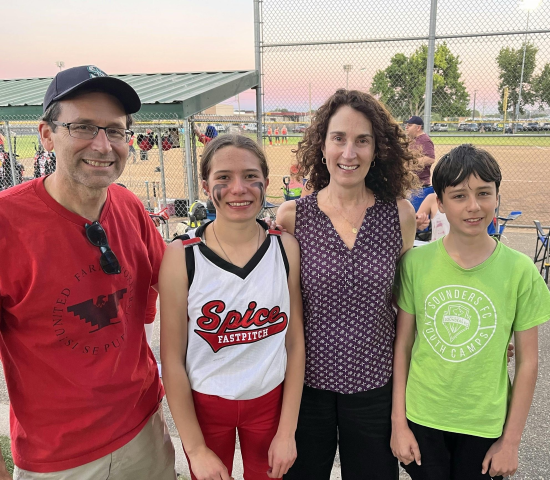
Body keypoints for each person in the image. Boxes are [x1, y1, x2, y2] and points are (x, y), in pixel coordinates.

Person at [0, 65, 176, 479]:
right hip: (59, 458)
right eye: (83, 127)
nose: (103, 144)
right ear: (47, 135)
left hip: (143, 432)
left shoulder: (130, 207)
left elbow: (172, 284)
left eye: (115, 130)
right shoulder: (7, 223)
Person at [391, 144, 550, 480]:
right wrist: (399, 423)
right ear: (439, 202)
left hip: (485, 424)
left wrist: (511, 441)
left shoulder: (520, 270)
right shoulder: (415, 264)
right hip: (423, 419)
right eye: (459, 196)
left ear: (497, 196)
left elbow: (528, 362)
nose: (473, 206)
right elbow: (403, 347)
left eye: (484, 193)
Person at [276, 89, 418, 480]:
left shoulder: (399, 216)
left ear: (378, 150)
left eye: (362, 140)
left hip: (375, 385)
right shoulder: (292, 217)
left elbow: (409, 304)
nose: (349, 153)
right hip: (306, 389)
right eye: (338, 138)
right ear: (322, 146)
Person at [159, 134, 305, 480]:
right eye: (223, 177)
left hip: (269, 399)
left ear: (266, 183)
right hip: (205, 403)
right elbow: (171, 359)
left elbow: (295, 343)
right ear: (207, 186)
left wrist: (287, 432)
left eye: (250, 176)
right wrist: (194, 449)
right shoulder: (183, 255)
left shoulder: (285, 248)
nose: (239, 188)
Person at [405, 116, 435, 187]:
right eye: (406, 125)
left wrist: (409, 163)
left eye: (410, 125)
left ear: (418, 128)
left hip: (421, 184)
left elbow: (430, 159)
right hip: (410, 183)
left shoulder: (425, 140)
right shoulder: (411, 139)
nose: (406, 127)